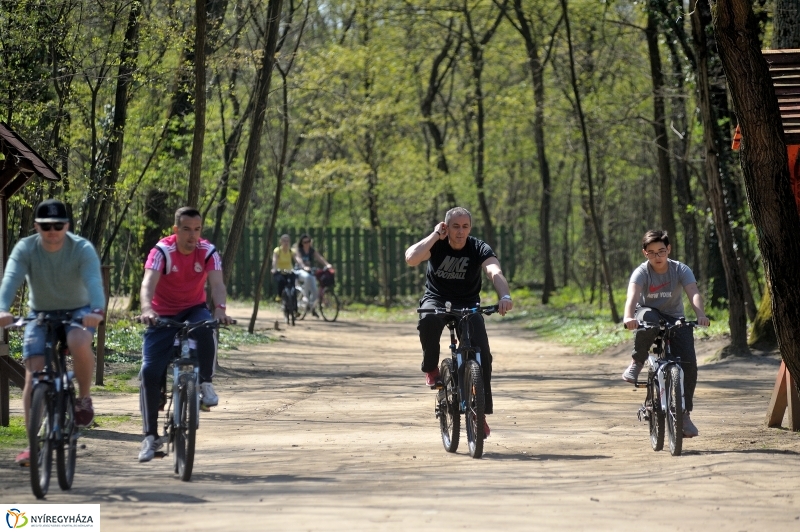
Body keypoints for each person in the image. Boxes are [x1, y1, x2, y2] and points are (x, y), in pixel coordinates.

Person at [0, 199, 105, 465]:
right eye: (46, 226)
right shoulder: (26, 248)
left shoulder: (81, 248)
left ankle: (83, 399)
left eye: (58, 225)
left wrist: (97, 310)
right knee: (33, 373)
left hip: (78, 310)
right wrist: (2, 309)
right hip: (41, 313)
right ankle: (32, 445)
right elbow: (11, 279)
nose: (52, 231)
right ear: (36, 226)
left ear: (67, 226)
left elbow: (93, 280)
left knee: (78, 339)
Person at [404, 206, 513, 437]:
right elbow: (411, 259)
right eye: (455, 226)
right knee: (428, 319)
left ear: (470, 228)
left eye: (465, 227)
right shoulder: (438, 244)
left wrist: (504, 295)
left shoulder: (478, 247)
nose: (460, 231)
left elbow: (494, 271)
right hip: (437, 300)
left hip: (468, 303)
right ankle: (431, 367)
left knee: (482, 352)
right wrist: (435, 235)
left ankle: (479, 413)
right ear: (446, 227)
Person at [137, 206, 233, 462]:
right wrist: (147, 309)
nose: (193, 236)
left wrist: (220, 310)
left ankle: (205, 383)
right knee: (149, 372)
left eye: (197, 230)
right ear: (176, 230)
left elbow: (217, 284)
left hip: (194, 309)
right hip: (161, 313)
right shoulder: (162, 251)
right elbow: (148, 283)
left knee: (207, 328)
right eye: (187, 230)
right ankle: (149, 437)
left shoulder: (208, 251)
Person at [621, 229, 710, 438]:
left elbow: (693, 292)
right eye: (651, 253)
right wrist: (628, 317)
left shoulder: (680, 269)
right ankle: (637, 361)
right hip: (647, 312)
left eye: (661, 251)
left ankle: (684, 414)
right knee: (650, 323)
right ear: (645, 253)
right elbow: (632, 296)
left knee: (689, 362)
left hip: (673, 316)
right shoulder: (641, 272)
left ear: (668, 250)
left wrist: (700, 314)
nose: (657, 257)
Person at [294, 234, 332, 318]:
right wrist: (303, 266)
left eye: (308, 241)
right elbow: (299, 259)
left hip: (309, 272)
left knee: (315, 291)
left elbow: (319, 258)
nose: (307, 243)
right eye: (305, 242)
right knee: (307, 277)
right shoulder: (299, 250)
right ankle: (305, 296)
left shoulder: (311, 250)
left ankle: (310, 307)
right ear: (301, 243)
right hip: (299, 271)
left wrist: (327, 264)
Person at [271, 234, 296, 301]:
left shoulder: (291, 251)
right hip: (280, 271)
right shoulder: (277, 250)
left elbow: (297, 260)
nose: (286, 242)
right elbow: (274, 260)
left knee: (293, 284)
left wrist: (301, 266)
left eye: (287, 241)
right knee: (281, 281)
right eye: (284, 241)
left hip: (289, 271)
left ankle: (294, 302)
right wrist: (274, 268)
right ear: (281, 242)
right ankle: (279, 295)